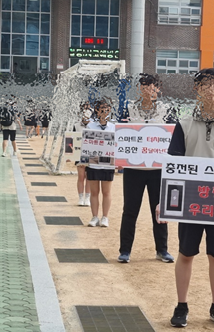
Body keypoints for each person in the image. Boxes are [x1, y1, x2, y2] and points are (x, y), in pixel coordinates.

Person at [164, 68, 214, 329]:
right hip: (191, 200)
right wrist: (164, 202)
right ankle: (181, 305)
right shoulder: (184, 124)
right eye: (205, 85)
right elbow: (174, 166)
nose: (211, 90)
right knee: (186, 253)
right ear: (196, 90)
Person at [118, 73, 175, 264]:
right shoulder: (128, 108)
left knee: (159, 211)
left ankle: (162, 250)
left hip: (159, 170)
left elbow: (174, 136)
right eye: (144, 86)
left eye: (152, 86)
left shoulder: (167, 110)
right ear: (139, 89)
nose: (149, 90)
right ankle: (125, 250)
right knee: (130, 210)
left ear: (158, 89)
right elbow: (120, 134)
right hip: (134, 168)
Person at [85, 99, 116, 227]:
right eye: (102, 108)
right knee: (94, 192)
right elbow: (85, 144)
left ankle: (105, 217)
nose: (104, 111)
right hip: (93, 163)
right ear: (97, 110)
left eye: (107, 108)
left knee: (106, 192)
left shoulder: (114, 127)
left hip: (108, 163)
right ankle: (94, 217)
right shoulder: (90, 126)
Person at [75, 102, 92, 207]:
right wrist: (70, 155)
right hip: (79, 153)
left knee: (89, 177)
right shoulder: (76, 125)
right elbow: (71, 140)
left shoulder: (93, 126)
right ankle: (80, 197)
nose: (85, 116)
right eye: (84, 114)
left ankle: (87, 197)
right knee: (81, 176)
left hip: (91, 154)